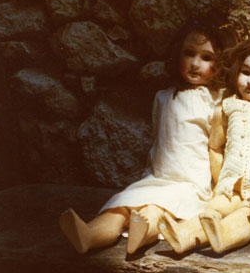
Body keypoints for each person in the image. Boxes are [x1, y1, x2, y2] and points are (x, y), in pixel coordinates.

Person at [59, 17, 233, 254]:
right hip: (158, 177)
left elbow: (218, 146)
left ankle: (142, 235)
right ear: (177, 55)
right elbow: (159, 141)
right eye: (189, 53)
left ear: (220, 63)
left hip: (191, 183)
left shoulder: (218, 100)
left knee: (154, 209)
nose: (195, 63)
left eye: (206, 58)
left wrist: (219, 188)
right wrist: (148, 171)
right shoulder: (164, 97)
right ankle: (89, 235)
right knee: (121, 206)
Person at [158, 35, 250, 254]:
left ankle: (225, 237)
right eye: (246, 72)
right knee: (213, 209)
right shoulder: (226, 108)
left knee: (245, 215)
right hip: (231, 187)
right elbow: (215, 147)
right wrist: (222, 181)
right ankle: (184, 236)